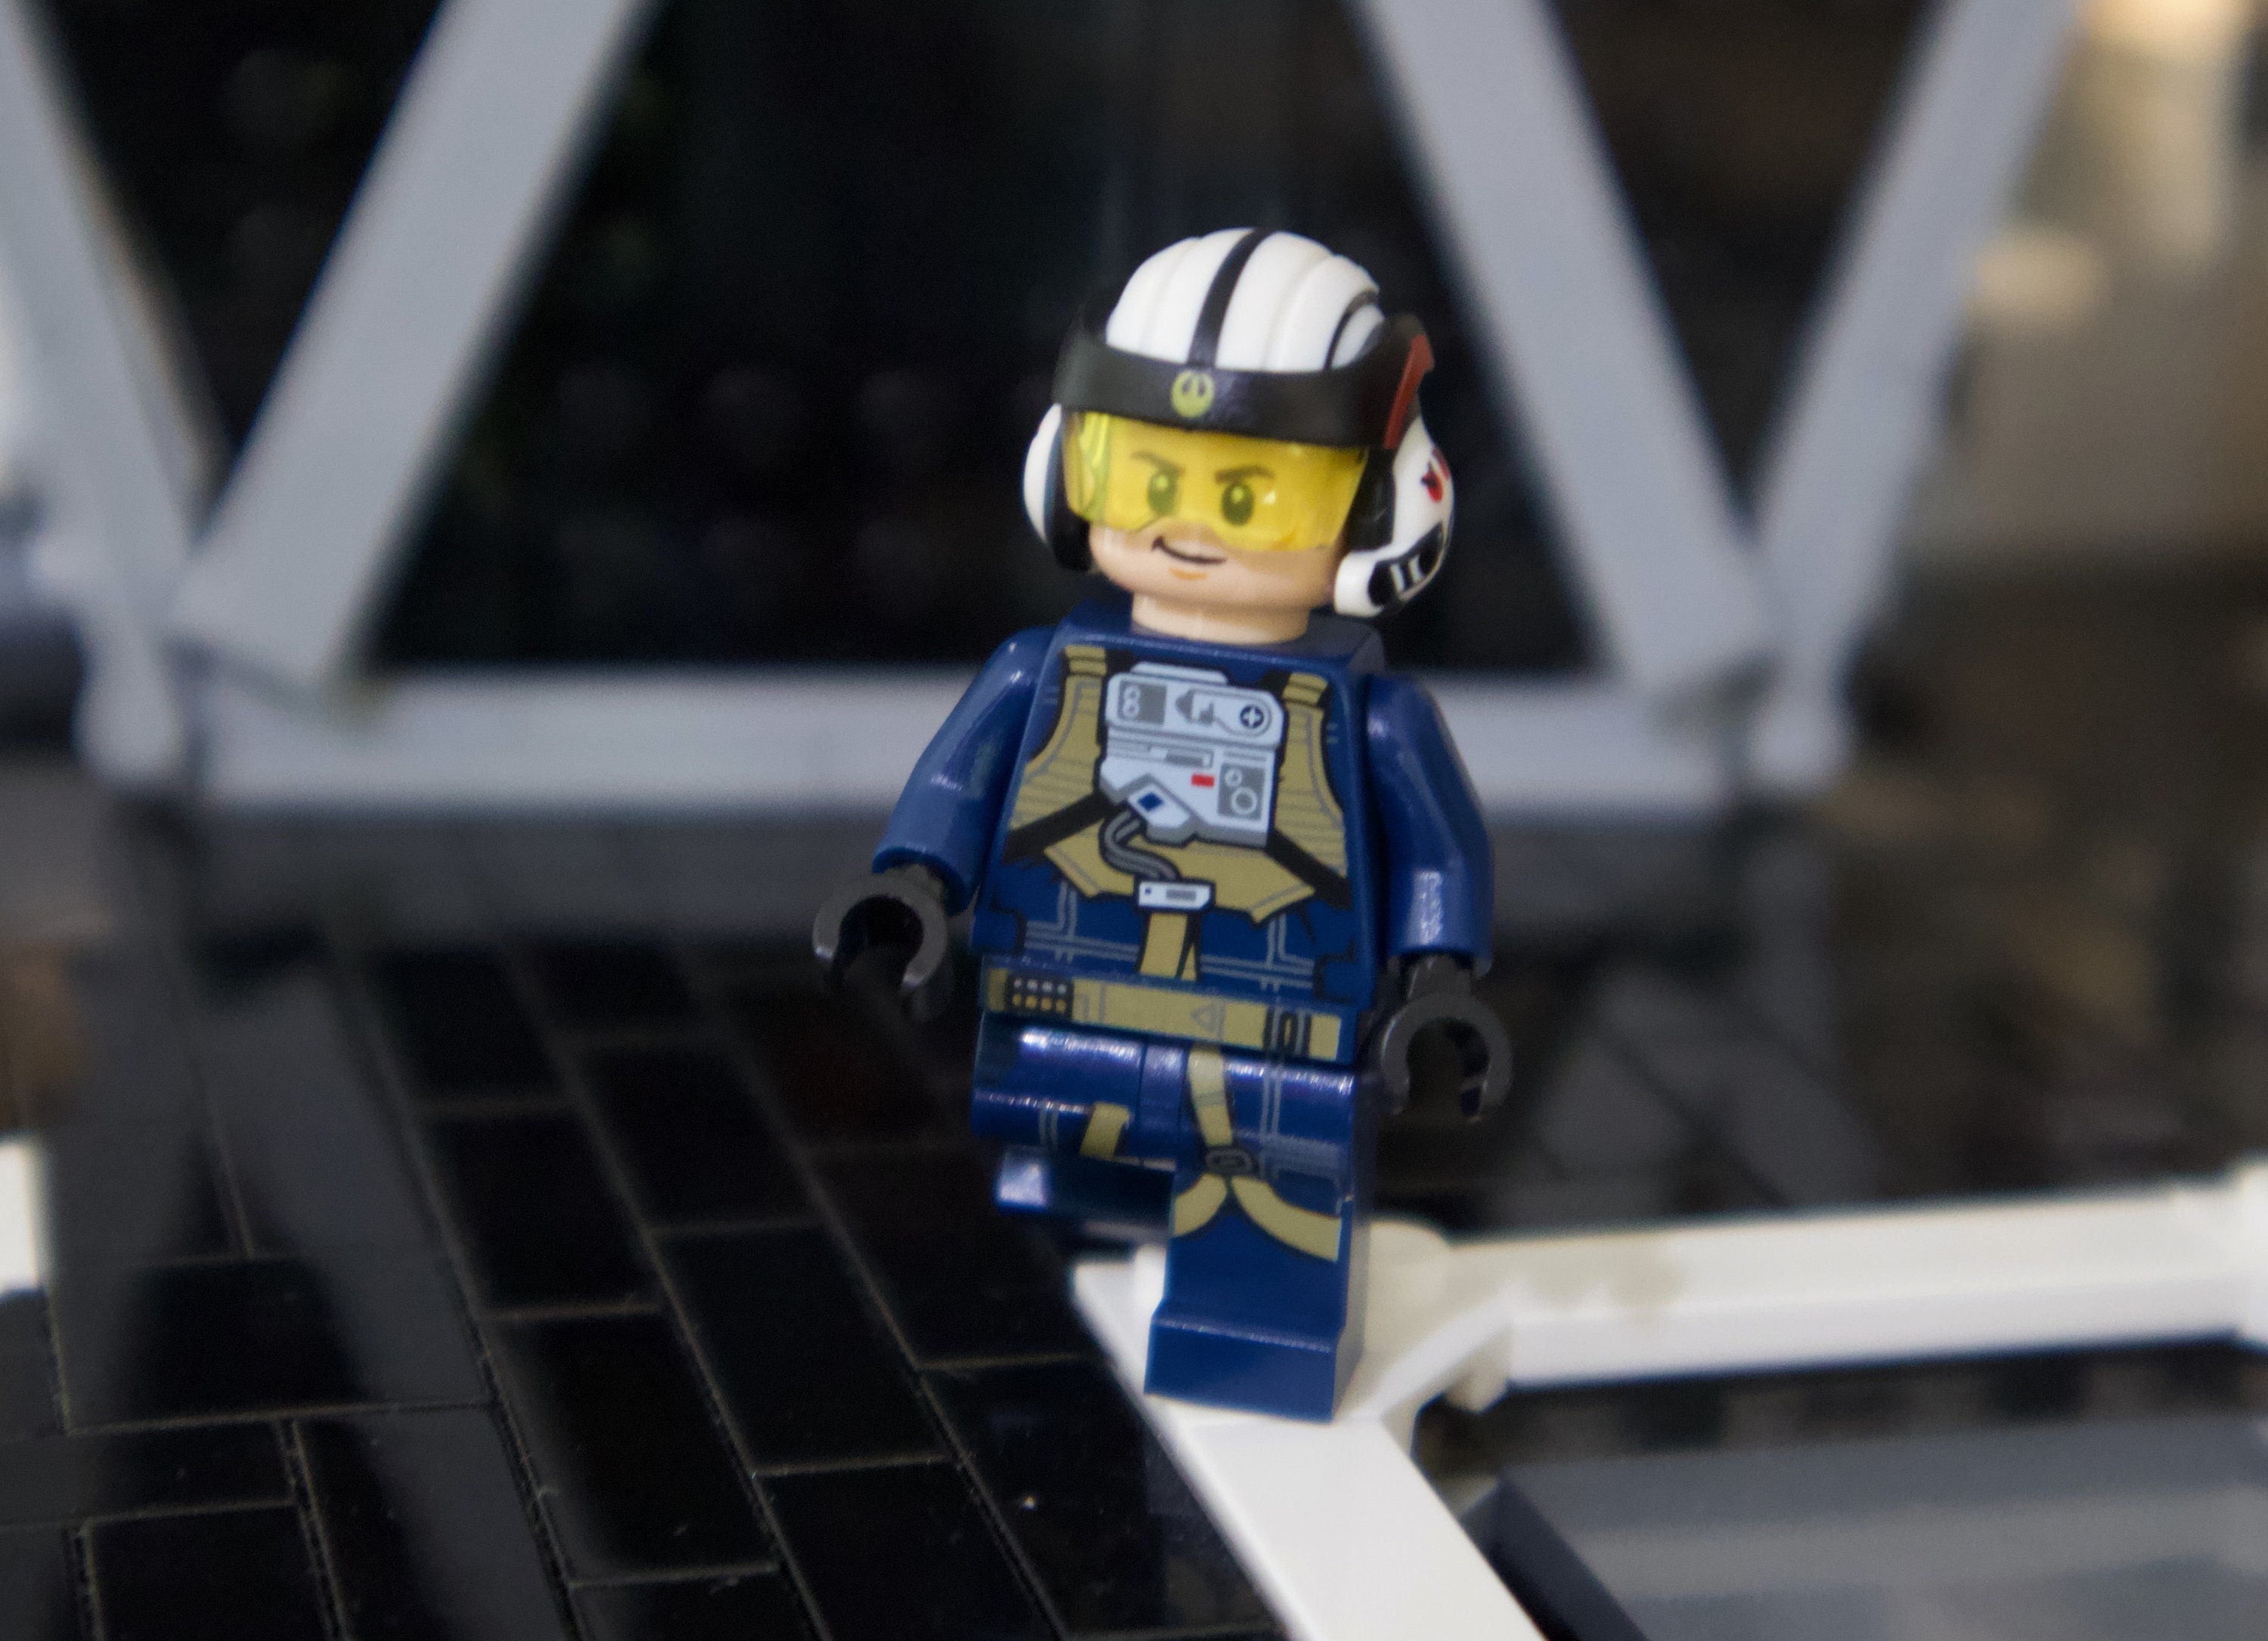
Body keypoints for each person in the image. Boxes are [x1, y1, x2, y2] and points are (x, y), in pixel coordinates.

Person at [815, 228, 1507, 1420]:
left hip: (1279, 1018)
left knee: (1266, 1176)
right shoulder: (1041, 665)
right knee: (1057, 1139)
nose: (1189, 529)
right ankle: (1117, 1212)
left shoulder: (1377, 717)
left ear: (1383, 510)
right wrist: (914, 881)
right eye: (1142, 480)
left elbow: (1439, 848)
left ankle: (1248, 1341)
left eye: (1249, 496)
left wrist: (1439, 977)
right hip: (1067, 990)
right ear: (1067, 474)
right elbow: (963, 780)